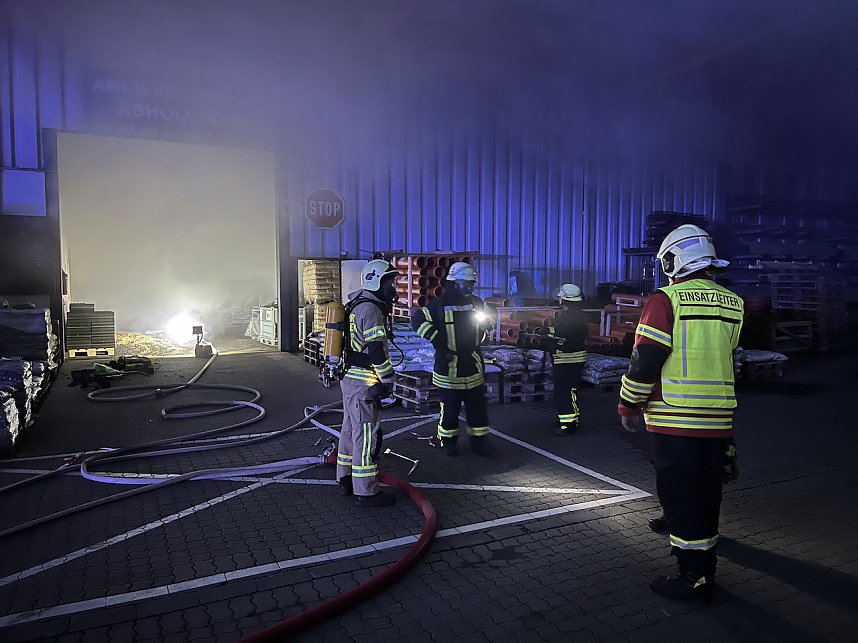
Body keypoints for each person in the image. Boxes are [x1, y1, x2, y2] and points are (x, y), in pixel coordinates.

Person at [617, 224, 742, 602]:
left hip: (675, 419)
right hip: (718, 420)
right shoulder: (733, 302)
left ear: (673, 260)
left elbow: (645, 359)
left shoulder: (666, 300)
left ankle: (694, 577)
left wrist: (628, 403)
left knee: (680, 496)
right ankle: (703, 559)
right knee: (707, 493)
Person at [411, 262, 493, 457]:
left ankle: (479, 443)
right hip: (449, 366)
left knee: (477, 409)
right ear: (455, 283)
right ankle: (448, 443)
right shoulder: (439, 304)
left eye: (472, 283)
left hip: (472, 364)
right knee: (450, 410)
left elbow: (488, 320)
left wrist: (487, 325)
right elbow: (417, 320)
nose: (470, 287)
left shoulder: (476, 303)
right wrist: (437, 339)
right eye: (466, 283)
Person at [336, 259, 400, 507]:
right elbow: (375, 351)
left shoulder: (356, 304)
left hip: (350, 379)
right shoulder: (371, 310)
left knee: (349, 431)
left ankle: (345, 479)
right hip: (364, 383)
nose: (393, 288)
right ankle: (366, 491)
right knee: (366, 437)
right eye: (390, 283)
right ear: (376, 282)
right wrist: (389, 378)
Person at [540, 283, 588, 435]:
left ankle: (569, 424)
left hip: (569, 360)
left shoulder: (572, 317)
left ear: (565, 300)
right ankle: (565, 419)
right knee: (565, 391)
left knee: (565, 392)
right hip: (566, 359)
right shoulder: (575, 315)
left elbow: (560, 331)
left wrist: (546, 333)